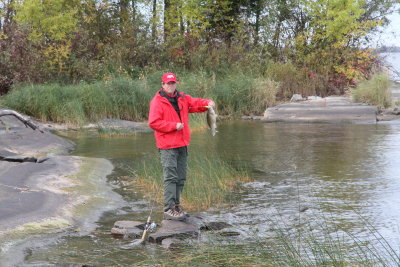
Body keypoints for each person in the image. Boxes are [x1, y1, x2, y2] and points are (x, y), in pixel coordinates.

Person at [148, 73, 215, 220]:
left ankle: (176, 206)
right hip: (167, 146)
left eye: (173, 83)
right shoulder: (157, 101)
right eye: (168, 83)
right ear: (163, 84)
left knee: (181, 177)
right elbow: (153, 122)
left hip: (182, 144)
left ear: (175, 83)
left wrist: (208, 103)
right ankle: (169, 208)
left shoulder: (182, 98)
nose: (171, 85)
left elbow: (197, 104)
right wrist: (173, 126)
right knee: (170, 177)